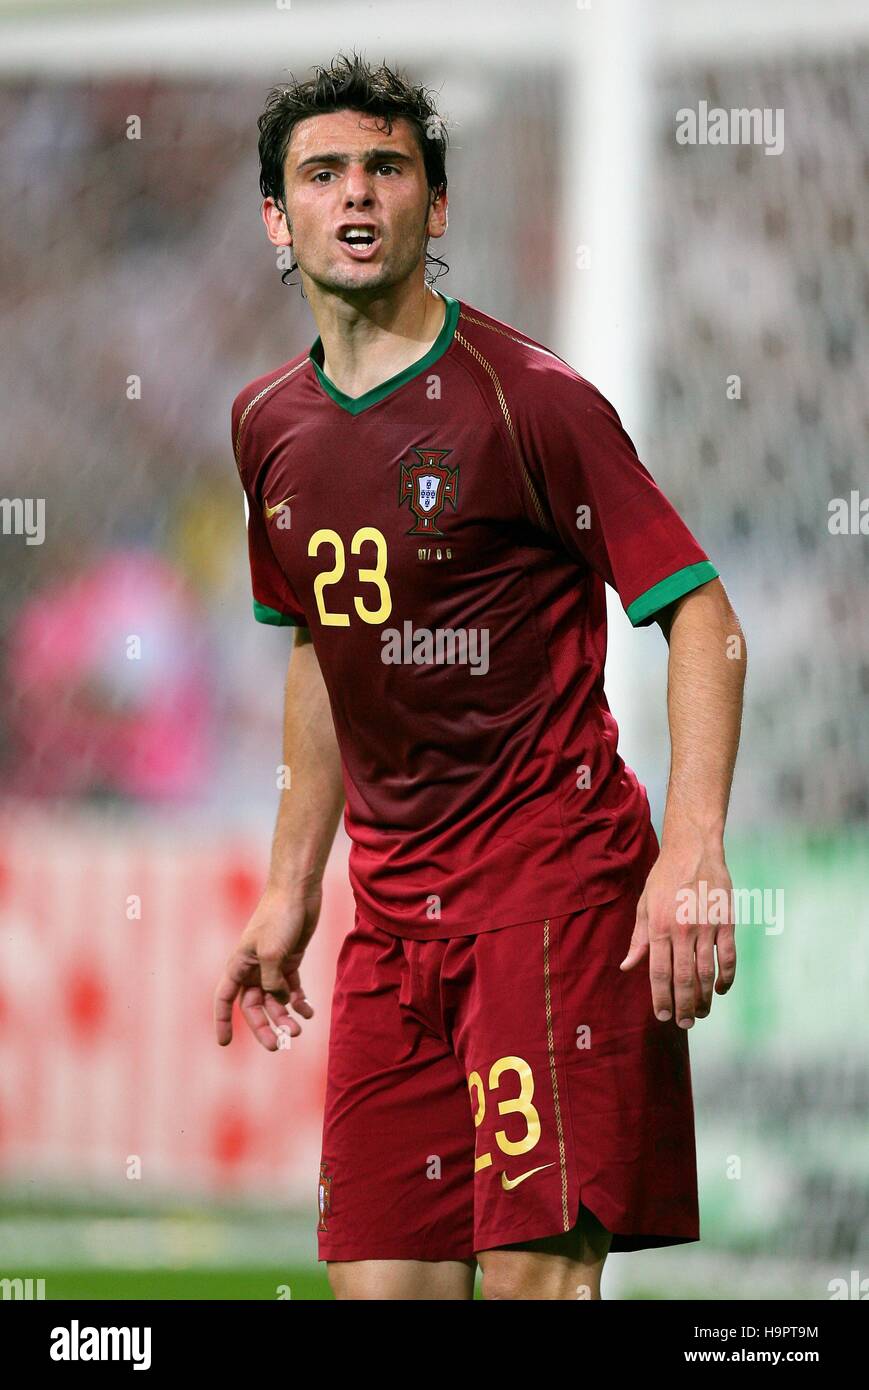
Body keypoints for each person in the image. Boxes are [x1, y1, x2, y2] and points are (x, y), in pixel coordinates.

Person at [213, 51, 746, 1301]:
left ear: (434, 208)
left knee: (528, 1291)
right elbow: (317, 644)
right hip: (392, 928)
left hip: (550, 900)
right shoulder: (265, 424)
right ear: (274, 219)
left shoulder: (530, 401)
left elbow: (702, 615)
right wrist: (291, 886)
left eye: (387, 169)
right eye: (324, 172)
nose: (357, 196)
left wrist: (693, 849)